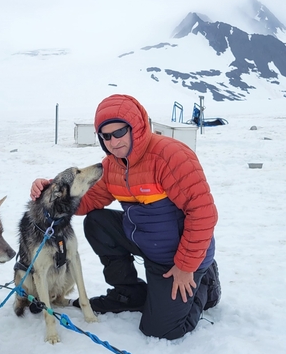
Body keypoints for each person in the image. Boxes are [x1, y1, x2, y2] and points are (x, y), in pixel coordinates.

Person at [30, 94, 221, 340]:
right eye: (105, 136)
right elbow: (88, 202)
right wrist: (52, 194)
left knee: (161, 329)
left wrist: (186, 267)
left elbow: (203, 212)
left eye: (119, 132)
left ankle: (205, 283)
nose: (112, 142)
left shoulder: (170, 157)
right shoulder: (112, 166)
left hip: (178, 257)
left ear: (137, 128)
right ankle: (128, 292)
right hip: (145, 240)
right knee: (96, 222)